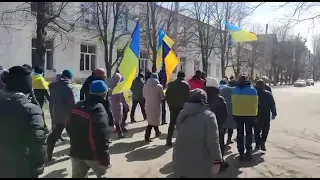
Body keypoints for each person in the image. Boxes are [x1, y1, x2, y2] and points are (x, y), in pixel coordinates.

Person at [0, 66, 47, 178]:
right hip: (22, 167)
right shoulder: (31, 109)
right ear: (28, 86)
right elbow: (38, 141)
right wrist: (38, 165)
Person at [173, 88, 223, 178]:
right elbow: (212, 141)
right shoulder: (209, 116)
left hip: (181, 157)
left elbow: (178, 130)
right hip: (200, 158)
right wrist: (217, 160)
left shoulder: (182, 113)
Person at [66, 80, 111, 178]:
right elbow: (102, 136)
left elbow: (68, 127)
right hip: (93, 156)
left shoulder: (77, 106)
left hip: (76, 153)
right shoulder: (98, 109)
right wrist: (105, 158)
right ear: (104, 94)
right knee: (102, 175)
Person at [47, 70, 76, 160]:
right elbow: (73, 103)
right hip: (68, 116)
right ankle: (74, 153)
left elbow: (51, 101)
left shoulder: (53, 86)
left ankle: (48, 154)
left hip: (57, 114)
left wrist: (52, 114)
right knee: (74, 135)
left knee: (54, 135)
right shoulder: (69, 87)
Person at [231, 74, 258, 161]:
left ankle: (241, 153)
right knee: (249, 133)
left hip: (238, 114)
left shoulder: (235, 90)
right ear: (247, 80)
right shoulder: (253, 90)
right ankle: (249, 152)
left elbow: (232, 103)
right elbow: (256, 104)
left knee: (240, 134)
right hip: (250, 115)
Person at [204, 77, 229, 171]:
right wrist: (220, 124)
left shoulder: (203, 98)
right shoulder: (220, 99)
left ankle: (207, 162)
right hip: (218, 126)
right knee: (219, 145)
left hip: (204, 126)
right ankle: (219, 163)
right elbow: (225, 113)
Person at [165, 71, 190, 146]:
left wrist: (169, 104)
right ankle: (181, 140)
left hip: (172, 106)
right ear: (184, 76)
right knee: (182, 124)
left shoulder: (171, 84)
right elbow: (188, 97)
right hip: (182, 107)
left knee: (172, 123)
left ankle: (168, 140)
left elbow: (167, 95)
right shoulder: (186, 85)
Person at [23, 64, 49, 134]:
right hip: (39, 100)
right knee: (40, 113)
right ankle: (43, 127)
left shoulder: (30, 78)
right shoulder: (40, 79)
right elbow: (45, 90)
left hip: (30, 99)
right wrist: (50, 99)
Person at [254, 79, 277, 151]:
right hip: (265, 114)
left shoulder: (253, 93)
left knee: (256, 130)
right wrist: (274, 113)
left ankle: (257, 144)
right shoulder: (268, 94)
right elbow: (272, 104)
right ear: (263, 85)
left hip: (255, 114)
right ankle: (263, 141)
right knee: (265, 129)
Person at [143, 73, 165, 142]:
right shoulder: (159, 87)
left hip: (148, 105)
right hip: (156, 105)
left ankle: (157, 132)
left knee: (151, 120)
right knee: (153, 121)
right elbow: (162, 97)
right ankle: (147, 136)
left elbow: (144, 95)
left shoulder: (145, 86)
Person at [109, 72, 129, 138]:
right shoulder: (119, 88)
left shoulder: (111, 86)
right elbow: (122, 98)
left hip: (112, 104)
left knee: (115, 118)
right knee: (118, 119)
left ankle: (118, 131)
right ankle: (120, 133)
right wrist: (126, 105)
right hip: (118, 104)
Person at [220, 79, 237, 144]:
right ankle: (229, 140)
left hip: (223, 109)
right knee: (231, 127)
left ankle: (221, 140)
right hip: (232, 109)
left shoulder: (223, 89)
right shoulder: (235, 90)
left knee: (223, 126)